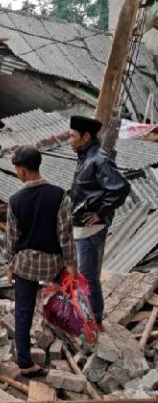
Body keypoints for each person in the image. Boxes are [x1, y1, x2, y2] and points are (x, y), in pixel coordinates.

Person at [6, 146, 77, 377]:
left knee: (23, 312)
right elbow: (65, 235)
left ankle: (25, 362)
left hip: (25, 265)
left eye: (17, 169)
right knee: (61, 303)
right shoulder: (59, 195)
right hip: (52, 265)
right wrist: (71, 265)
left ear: (22, 171)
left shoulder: (15, 201)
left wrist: (10, 265)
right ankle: (68, 345)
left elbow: (12, 241)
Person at [69, 116, 130, 331]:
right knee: (83, 274)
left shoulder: (99, 159)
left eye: (73, 136)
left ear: (85, 137)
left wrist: (100, 212)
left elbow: (121, 187)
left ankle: (95, 320)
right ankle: (88, 316)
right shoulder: (85, 157)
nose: (69, 140)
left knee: (88, 275)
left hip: (91, 228)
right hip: (81, 227)